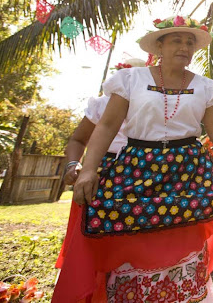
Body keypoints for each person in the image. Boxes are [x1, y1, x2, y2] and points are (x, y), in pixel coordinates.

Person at [54, 16, 213, 302]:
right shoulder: (130, 80)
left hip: (188, 169)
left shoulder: (206, 87)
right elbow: (106, 126)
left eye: (190, 42)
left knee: (186, 231)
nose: (184, 47)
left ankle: (184, 292)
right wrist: (89, 169)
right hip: (137, 166)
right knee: (131, 229)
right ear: (159, 46)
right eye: (176, 40)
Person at [55, 58, 144, 270]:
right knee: (98, 235)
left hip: (143, 171)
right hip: (102, 172)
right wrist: (74, 165)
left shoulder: (156, 104)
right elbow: (78, 139)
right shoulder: (101, 104)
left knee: (137, 236)